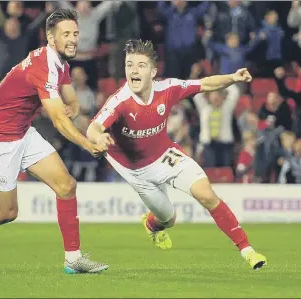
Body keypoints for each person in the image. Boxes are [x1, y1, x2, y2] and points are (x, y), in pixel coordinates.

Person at [0, 9, 110, 274]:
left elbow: (69, 96)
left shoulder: (59, 61)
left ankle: (73, 259)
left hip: (23, 132)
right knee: (7, 212)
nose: (73, 39)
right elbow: (57, 120)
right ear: (51, 39)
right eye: (66, 34)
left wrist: (74, 105)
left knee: (66, 186)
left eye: (75, 33)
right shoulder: (43, 66)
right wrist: (87, 143)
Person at [87, 39, 267, 270]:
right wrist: (99, 137)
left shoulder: (167, 88)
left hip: (166, 155)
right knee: (168, 219)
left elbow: (204, 84)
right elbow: (93, 128)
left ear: (152, 72)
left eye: (140, 65)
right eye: (129, 64)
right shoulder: (120, 102)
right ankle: (152, 225)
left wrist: (233, 77)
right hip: (137, 171)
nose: (133, 70)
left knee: (206, 195)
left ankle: (248, 251)